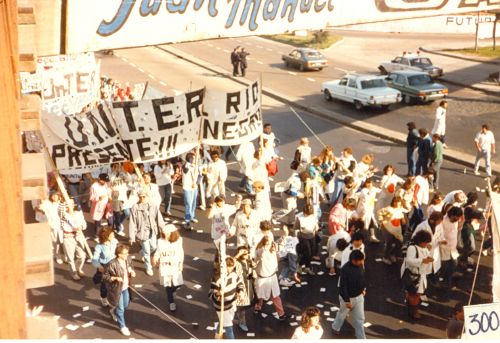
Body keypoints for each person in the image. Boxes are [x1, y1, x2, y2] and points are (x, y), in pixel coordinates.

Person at [331, 250, 366, 339]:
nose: (362, 262)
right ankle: (335, 327)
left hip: (359, 296)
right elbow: (343, 287)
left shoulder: (360, 265)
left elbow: (362, 277)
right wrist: (347, 301)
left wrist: (363, 289)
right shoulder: (345, 269)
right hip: (348, 298)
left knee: (360, 319)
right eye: (360, 260)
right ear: (354, 260)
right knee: (342, 314)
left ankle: (361, 338)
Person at [128, 191, 165, 276]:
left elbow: (158, 217)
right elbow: (132, 222)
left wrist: (163, 229)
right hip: (142, 232)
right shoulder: (135, 207)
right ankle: (148, 267)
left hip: (152, 230)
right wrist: (131, 237)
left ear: (147, 196)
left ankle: (142, 252)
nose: (142, 198)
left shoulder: (153, 205)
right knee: (147, 252)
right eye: (140, 197)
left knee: (154, 247)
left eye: (144, 196)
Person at [103, 244, 136, 336]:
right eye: (125, 253)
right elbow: (105, 276)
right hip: (116, 289)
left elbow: (131, 267)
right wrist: (115, 278)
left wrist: (132, 272)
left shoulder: (128, 259)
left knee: (125, 305)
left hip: (126, 287)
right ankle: (122, 326)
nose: (127, 255)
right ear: (119, 254)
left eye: (127, 253)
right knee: (121, 308)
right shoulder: (112, 263)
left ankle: (114, 310)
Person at [209, 256, 245, 339]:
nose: (231, 269)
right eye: (229, 267)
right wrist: (218, 293)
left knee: (222, 321)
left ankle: (217, 336)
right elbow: (210, 295)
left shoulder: (234, 274)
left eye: (232, 267)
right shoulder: (216, 278)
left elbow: (240, 283)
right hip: (222, 307)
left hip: (232, 303)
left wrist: (240, 291)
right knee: (229, 328)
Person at [401, 230, 433, 319]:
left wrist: (428, 258)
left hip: (420, 275)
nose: (426, 244)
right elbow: (409, 261)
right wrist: (422, 260)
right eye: (425, 242)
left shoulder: (424, 247)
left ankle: (411, 307)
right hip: (414, 275)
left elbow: (425, 255)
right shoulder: (412, 248)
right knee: (415, 295)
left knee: (415, 294)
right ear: (420, 241)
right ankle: (413, 311)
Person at [253, 235, 287, 320]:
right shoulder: (260, 251)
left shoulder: (273, 250)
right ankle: (258, 307)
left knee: (275, 296)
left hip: (271, 277)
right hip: (262, 277)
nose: (267, 246)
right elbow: (257, 259)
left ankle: (281, 314)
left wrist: (276, 251)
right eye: (266, 244)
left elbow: (277, 259)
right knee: (259, 295)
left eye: (269, 244)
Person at [152, 224, 184, 312]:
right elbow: (158, 252)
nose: (165, 235)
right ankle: (171, 302)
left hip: (175, 265)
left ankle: (174, 291)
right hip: (165, 266)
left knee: (178, 283)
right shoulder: (160, 241)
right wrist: (155, 257)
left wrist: (181, 263)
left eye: (167, 233)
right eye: (164, 233)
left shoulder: (179, 240)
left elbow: (181, 252)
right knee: (168, 286)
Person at [60, 199, 88, 281]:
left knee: (82, 256)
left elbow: (84, 224)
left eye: (71, 203)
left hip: (79, 236)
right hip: (68, 237)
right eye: (67, 204)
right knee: (70, 257)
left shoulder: (79, 213)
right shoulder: (63, 214)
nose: (69, 205)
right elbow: (65, 226)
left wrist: (81, 227)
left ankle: (78, 268)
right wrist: (74, 228)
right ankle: (73, 272)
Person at [92, 226, 119, 307]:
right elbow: (94, 259)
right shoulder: (99, 246)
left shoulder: (114, 241)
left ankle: (112, 298)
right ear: (106, 236)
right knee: (104, 284)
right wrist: (99, 266)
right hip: (104, 266)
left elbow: (118, 250)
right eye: (112, 235)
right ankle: (103, 298)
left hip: (114, 265)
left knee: (114, 282)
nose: (114, 237)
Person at [440, 206, 464, 292]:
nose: (457, 220)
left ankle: (447, 280)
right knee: (444, 266)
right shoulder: (443, 221)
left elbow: (457, 230)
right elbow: (439, 233)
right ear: (451, 215)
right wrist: (442, 240)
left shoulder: (456, 221)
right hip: (444, 248)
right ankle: (443, 282)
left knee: (454, 264)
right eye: (456, 218)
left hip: (453, 248)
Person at [378, 196, 408, 265]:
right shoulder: (388, 209)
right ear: (394, 203)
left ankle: (391, 254)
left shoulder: (400, 208)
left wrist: (403, 218)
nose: (399, 205)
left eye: (400, 204)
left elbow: (402, 212)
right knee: (389, 243)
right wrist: (382, 221)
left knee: (399, 242)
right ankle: (385, 257)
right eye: (398, 203)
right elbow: (379, 212)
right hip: (387, 228)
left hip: (397, 228)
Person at [234, 246, 255, 332]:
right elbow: (230, 262)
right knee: (242, 306)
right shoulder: (237, 263)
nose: (247, 254)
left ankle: (239, 317)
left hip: (249, 285)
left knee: (245, 304)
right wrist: (238, 254)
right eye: (245, 253)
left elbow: (252, 269)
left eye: (247, 252)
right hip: (240, 287)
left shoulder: (248, 261)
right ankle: (242, 322)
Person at [294, 203, 319, 275]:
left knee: (312, 253)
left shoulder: (313, 216)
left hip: (312, 236)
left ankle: (307, 267)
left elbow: (316, 224)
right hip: (303, 237)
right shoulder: (299, 217)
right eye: (307, 214)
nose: (308, 216)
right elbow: (296, 227)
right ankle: (300, 265)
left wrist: (316, 229)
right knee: (307, 253)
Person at [356, 178, 381, 243]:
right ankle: (354, 235)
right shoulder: (364, 190)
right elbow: (365, 195)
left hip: (369, 210)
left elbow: (380, 190)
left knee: (370, 222)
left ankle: (372, 236)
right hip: (363, 210)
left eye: (370, 183)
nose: (369, 184)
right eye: (368, 183)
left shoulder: (374, 189)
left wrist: (382, 185)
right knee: (360, 223)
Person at [89, 173, 112, 240]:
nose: (105, 182)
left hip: (107, 205)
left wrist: (110, 198)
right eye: (103, 180)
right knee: (98, 221)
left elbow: (109, 192)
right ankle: (96, 235)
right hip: (98, 206)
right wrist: (98, 198)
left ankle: (109, 233)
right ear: (99, 179)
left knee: (110, 221)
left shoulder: (107, 185)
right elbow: (91, 197)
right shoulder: (94, 186)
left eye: (106, 180)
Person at [182, 152, 199, 228]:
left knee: (194, 203)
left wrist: (197, 183)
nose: (195, 159)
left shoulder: (196, 166)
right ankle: (187, 221)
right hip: (187, 187)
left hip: (194, 187)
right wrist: (190, 165)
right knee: (188, 204)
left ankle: (192, 216)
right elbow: (185, 170)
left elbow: (200, 176)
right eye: (193, 158)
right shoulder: (186, 165)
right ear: (189, 159)